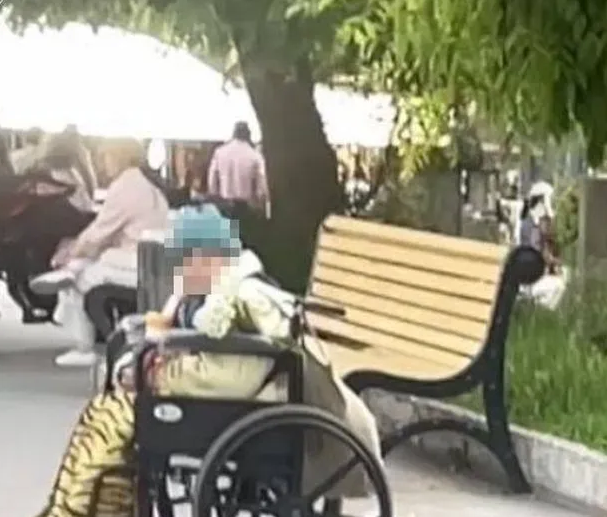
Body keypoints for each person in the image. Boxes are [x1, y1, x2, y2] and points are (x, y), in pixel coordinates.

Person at [34, 205, 383, 516]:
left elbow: (218, 340)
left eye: (188, 259)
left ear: (210, 256)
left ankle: (80, 507)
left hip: (223, 386)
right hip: (211, 378)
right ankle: (81, 505)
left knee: (111, 418)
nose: (181, 267)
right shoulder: (215, 287)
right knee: (104, 415)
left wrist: (159, 359)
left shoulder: (237, 289)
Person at [33, 138, 170, 367]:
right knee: (78, 267)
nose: (102, 163)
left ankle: (84, 346)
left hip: (134, 262)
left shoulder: (126, 187)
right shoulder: (145, 185)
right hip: (147, 260)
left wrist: (71, 251)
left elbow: (100, 231)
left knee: (77, 276)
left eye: (106, 156)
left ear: (120, 157)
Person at [207, 121, 268, 213]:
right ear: (248, 135)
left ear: (234, 134)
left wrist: (215, 198)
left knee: (228, 222)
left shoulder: (219, 152)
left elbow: (212, 183)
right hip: (245, 206)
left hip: (224, 206)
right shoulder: (255, 155)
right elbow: (261, 188)